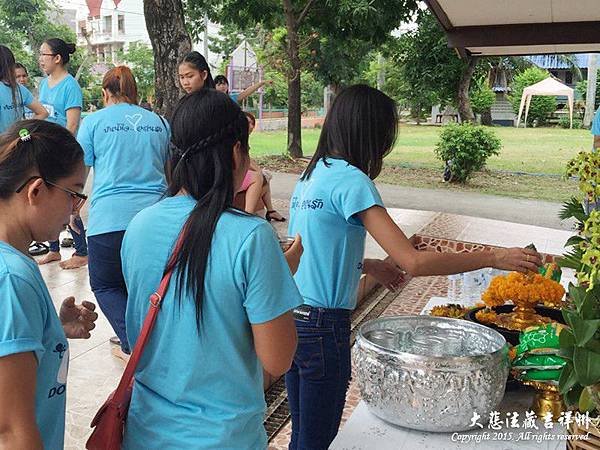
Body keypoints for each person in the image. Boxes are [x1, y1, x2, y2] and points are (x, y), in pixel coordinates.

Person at [285, 84, 544, 450]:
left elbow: (311, 249)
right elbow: (414, 262)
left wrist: (371, 265)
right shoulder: (351, 181)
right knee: (317, 441)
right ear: (370, 131)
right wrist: (495, 257)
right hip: (323, 326)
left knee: (303, 434)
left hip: (295, 319)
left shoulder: (313, 175)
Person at [121, 88, 303, 448]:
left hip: (145, 433)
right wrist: (281, 275)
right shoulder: (251, 237)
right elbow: (278, 359)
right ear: (236, 152)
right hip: (222, 438)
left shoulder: (139, 225)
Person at [0, 120, 98, 449]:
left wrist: (48, 330)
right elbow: (10, 431)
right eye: (74, 194)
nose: (75, 208)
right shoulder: (11, 277)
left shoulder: (13, 265)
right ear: (37, 190)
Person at [78, 66, 170, 361]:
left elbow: (78, 174)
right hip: (156, 220)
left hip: (108, 220)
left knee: (105, 284)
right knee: (150, 287)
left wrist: (73, 210)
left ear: (105, 93)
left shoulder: (94, 122)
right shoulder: (159, 122)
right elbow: (170, 171)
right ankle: (152, 342)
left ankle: (134, 342)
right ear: (134, 92)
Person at [37, 38, 88, 269]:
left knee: (68, 201)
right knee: (45, 199)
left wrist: (59, 150)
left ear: (57, 58)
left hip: (63, 153)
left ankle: (81, 251)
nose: (40, 60)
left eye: (43, 55)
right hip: (45, 150)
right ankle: (54, 249)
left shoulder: (70, 86)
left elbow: (73, 125)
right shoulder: (44, 84)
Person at [234, 112, 286, 221]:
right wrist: (258, 171)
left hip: (238, 171)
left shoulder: (242, 138)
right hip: (234, 174)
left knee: (264, 179)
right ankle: (248, 214)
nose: (252, 126)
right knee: (258, 177)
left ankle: (270, 211)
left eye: (253, 123)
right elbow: (243, 160)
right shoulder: (237, 139)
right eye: (248, 123)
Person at [0, 46, 47, 132]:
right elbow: (43, 112)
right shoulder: (19, 89)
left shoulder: (19, 88)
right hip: (14, 142)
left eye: (24, 76)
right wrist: (22, 131)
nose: (22, 79)